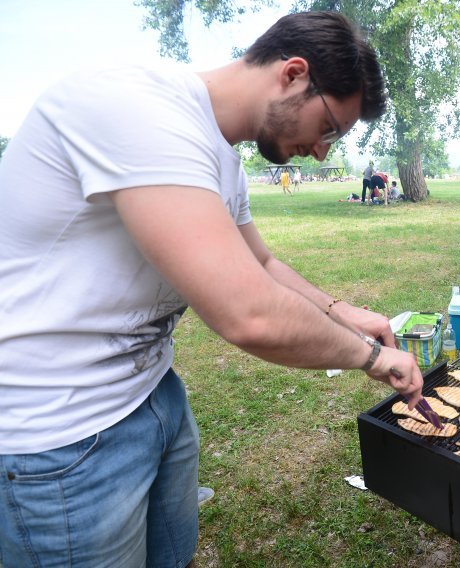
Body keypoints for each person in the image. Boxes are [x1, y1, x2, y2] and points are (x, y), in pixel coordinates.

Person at [0, 11, 424, 567]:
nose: (323, 151)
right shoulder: (138, 108)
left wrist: (341, 311)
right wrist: (370, 357)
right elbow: (249, 314)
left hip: (152, 395)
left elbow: (262, 261)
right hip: (60, 436)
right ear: (293, 74)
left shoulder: (220, 154)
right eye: (328, 129)